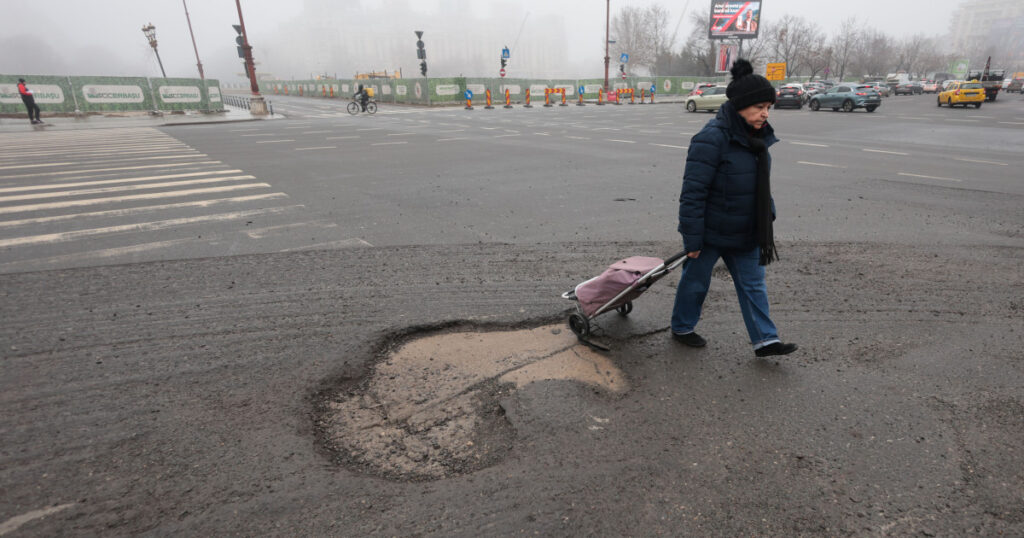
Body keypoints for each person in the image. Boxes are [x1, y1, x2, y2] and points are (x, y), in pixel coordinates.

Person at [671, 59, 797, 358]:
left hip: (747, 229)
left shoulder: (758, 139)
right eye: (758, 107)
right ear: (740, 106)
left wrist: (769, 212)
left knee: (754, 286)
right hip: (711, 231)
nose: (765, 113)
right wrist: (692, 238)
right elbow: (693, 192)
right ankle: (682, 327)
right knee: (696, 282)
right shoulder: (711, 138)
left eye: (768, 106)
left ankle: (766, 341)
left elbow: (759, 184)